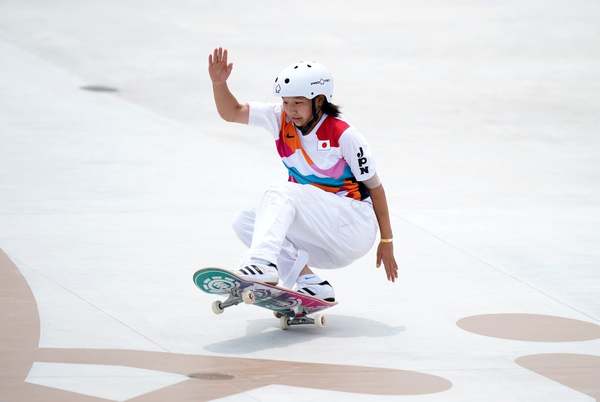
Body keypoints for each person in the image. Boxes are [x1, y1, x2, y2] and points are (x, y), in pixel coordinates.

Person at [208, 47, 398, 301]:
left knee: (280, 192)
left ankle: (262, 264)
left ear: (319, 101)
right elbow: (232, 112)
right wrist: (219, 84)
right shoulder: (279, 118)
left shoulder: (345, 135)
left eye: (298, 103)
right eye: (286, 102)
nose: (290, 110)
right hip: (320, 234)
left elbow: (376, 188)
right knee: (245, 222)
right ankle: (309, 281)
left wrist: (386, 240)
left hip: (352, 227)